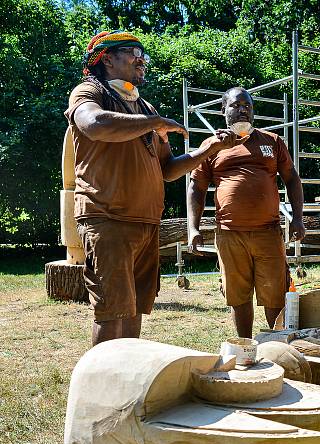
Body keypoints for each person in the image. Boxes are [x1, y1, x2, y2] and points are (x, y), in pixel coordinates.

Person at [66, 30, 238, 346]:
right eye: (132, 52)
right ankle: (102, 390)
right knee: (111, 311)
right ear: (107, 58)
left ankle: (129, 383)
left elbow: (168, 169)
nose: (141, 59)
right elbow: (94, 124)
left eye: (142, 53)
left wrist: (207, 150)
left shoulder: (144, 107)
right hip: (108, 218)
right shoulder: (89, 92)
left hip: (146, 224)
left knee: (134, 309)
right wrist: (153, 122)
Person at [187, 87, 306, 337]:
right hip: (230, 235)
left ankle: (277, 346)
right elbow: (196, 187)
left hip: (268, 233)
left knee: (275, 294)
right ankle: (246, 348)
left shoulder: (271, 141)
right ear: (223, 110)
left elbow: (292, 179)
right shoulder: (211, 146)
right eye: (235, 105)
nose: (242, 109)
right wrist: (193, 228)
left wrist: (297, 218)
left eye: (247, 106)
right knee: (238, 295)